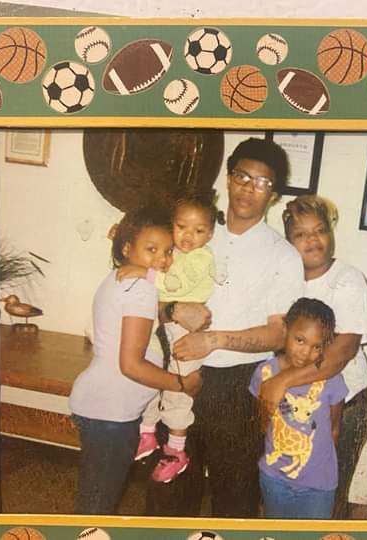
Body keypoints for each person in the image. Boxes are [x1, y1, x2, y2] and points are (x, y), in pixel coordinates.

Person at [151, 137, 305, 517]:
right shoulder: (193, 232)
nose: (249, 188)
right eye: (242, 176)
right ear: (228, 178)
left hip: (238, 385)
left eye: (262, 183)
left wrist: (213, 340)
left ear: (274, 195)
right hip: (177, 372)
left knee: (235, 496)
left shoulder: (283, 255)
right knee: (170, 487)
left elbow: (279, 333)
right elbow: (144, 297)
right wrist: (173, 309)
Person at [68, 205, 202, 515]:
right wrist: (182, 384)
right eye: (151, 249)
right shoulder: (140, 288)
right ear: (127, 248)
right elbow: (130, 365)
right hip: (110, 414)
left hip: (103, 407)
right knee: (96, 508)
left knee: (95, 499)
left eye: (168, 251)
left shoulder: (122, 279)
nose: (162, 259)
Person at [261, 194, 367, 519]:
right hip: (291, 406)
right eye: (301, 234)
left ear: (330, 234)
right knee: (284, 481)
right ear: (288, 242)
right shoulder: (284, 280)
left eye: (320, 230)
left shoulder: (347, 279)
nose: (312, 239)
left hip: (344, 406)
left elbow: (342, 352)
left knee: (329, 492)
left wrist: (283, 380)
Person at [130, 196, 219, 484]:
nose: (188, 236)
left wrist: (143, 273)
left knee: (178, 389)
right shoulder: (173, 251)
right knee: (150, 371)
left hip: (187, 331)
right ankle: (147, 432)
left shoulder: (201, 257)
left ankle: (176, 451)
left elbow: (174, 284)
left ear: (210, 234)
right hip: (165, 324)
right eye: (182, 227)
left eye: (199, 230)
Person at [249, 297, 347, 519]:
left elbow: (334, 428)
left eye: (316, 346)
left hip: (318, 484)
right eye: (300, 340)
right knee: (277, 530)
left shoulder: (332, 380)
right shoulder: (264, 373)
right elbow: (263, 421)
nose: (306, 352)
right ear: (285, 331)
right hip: (274, 478)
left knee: (313, 533)